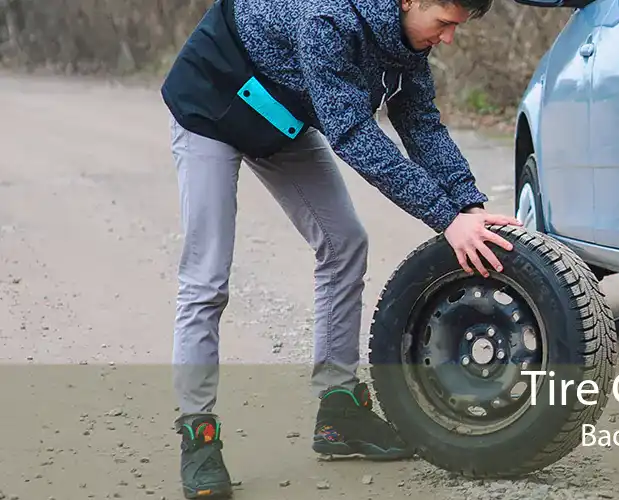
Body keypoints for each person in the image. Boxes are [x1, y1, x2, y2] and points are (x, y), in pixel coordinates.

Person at [158, 0, 517, 497]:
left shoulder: (406, 41)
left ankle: (340, 411)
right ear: (409, 0)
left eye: (457, 27)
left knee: (345, 243)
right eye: (445, 24)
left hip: (280, 117)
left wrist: (468, 205)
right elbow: (352, 133)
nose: (449, 39)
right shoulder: (326, 20)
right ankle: (198, 435)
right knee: (207, 276)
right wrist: (445, 219)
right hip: (210, 105)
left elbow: (421, 124)